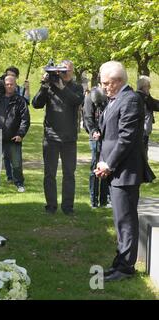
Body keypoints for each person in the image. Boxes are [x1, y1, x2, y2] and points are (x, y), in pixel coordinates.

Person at [95, 61, 154, 281]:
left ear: (119, 81)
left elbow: (126, 137)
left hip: (124, 170)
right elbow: (108, 135)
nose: (105, 87)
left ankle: (125, 268)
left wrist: (108, 164)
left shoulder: (130, 99)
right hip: (115, 169)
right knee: (120, 219)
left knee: (126, 220)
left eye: (107, 83)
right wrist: (102, 161)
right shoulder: (116, 98)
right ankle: (120, 261)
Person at [32, 60, 84, 215]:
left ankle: (68, 207)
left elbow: (77, 101)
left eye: (67, 70)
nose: (64, 73)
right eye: (61, 70)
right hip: (51, 137)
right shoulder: (50, 86)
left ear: (72, 71)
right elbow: (36, 104)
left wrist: (62, 88)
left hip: (69, 138)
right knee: (49, 174)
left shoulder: (77, 87)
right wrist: (44, 85)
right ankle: (51, 206)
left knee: (69, 174)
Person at [0, 75, 30, 195]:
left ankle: (19, 183)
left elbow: (25, 119)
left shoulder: (20, 100)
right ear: (4, 85)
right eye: (7, 84)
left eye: (11, 84)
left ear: (15, 85)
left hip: (14, 135)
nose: (9, 86)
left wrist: (21, 134)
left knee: (16, 163)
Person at [83, 85, 111, 208]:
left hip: (107, 136)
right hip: (94, 136)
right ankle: (93, 200)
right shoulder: (90, 98)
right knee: (95, 167)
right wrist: (94, 130)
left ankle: (104, 200)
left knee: (106, 166)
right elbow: (88, 118)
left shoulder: (108, 96)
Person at [3, 66, 31, 184]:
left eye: (13, 76)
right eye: (8, 75)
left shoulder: (19, 89)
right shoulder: (3, 89)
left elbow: (26, 102)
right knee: (6, 155)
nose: (10, 78)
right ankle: (10, 176)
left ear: (16, 78)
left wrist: (27, 89)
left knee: (15, 155)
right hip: (4, 126)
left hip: (16, 125)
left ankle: (17, 177)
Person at [136, 75, 159, 157]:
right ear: (144, 87)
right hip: (142, 131)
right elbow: (155, 105)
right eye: (149, 86)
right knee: (142, 155)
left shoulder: (140, 96)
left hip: (142, 131)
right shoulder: (143, 98)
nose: (150, 88)